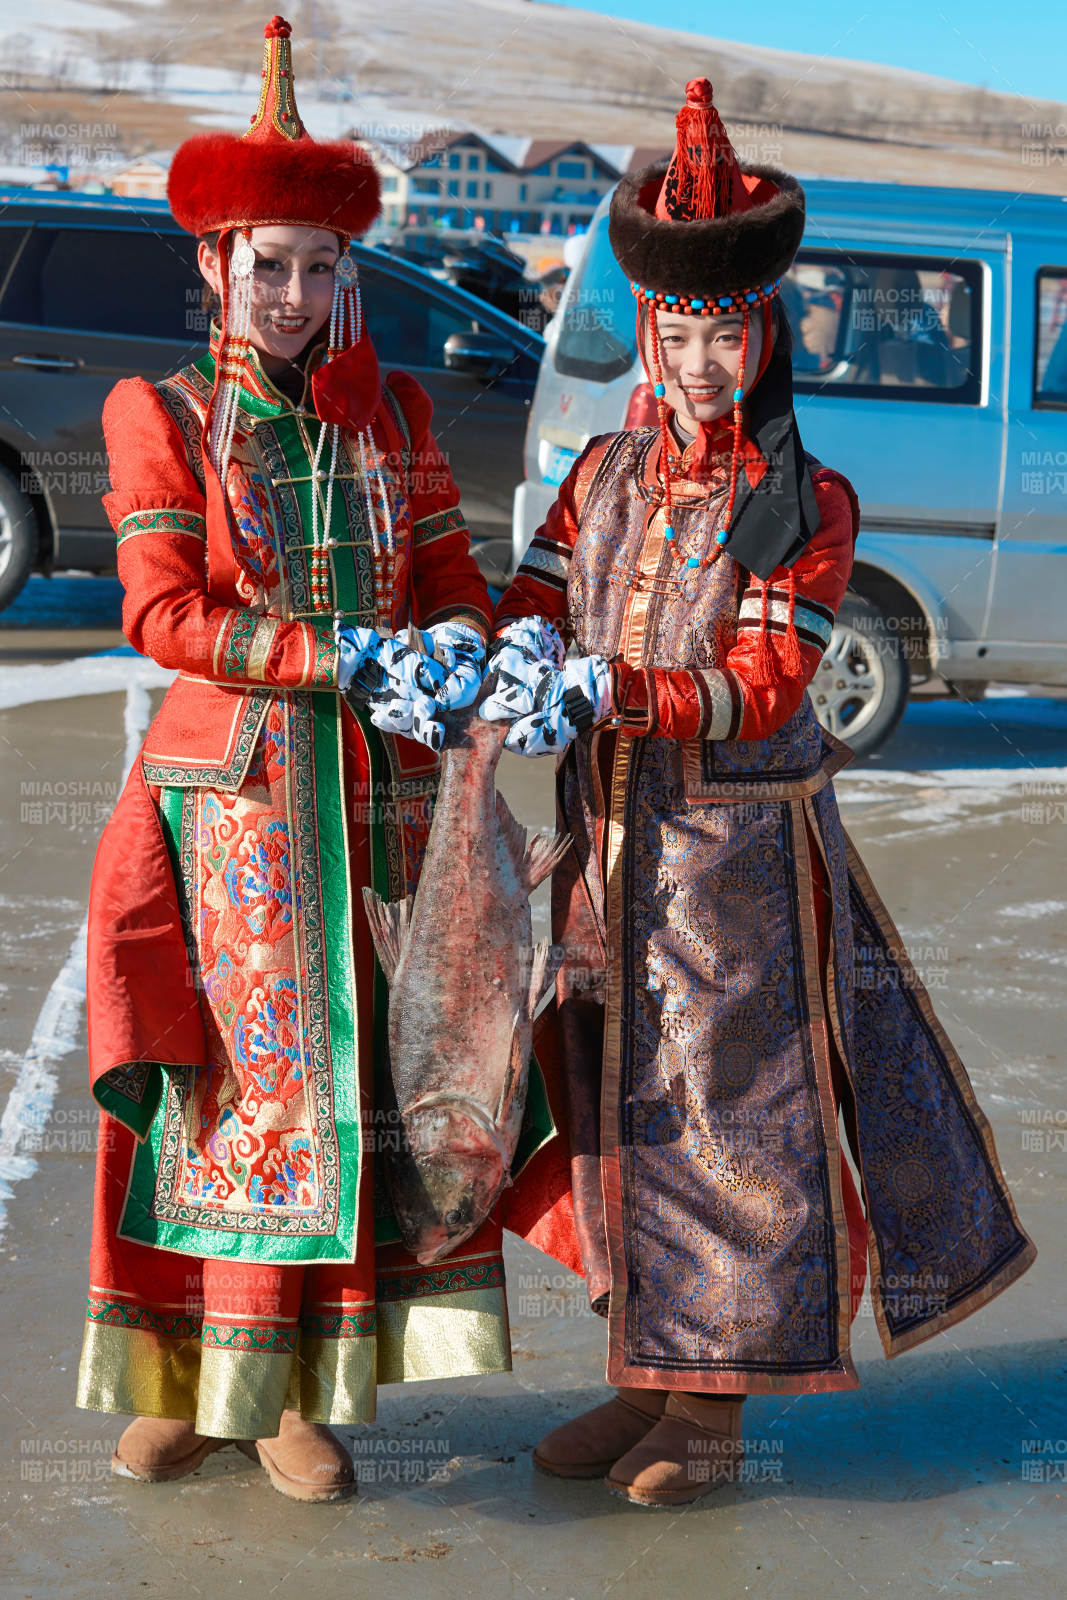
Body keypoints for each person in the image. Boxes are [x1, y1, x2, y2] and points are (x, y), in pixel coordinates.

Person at [482, 77, 1037, 1508]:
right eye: (679, 328)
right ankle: (641, 1381)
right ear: (652, 337)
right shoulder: (599, 472)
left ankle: (718, 1419)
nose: (703, 354)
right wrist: (478, 657)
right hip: (605, 851)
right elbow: (536, 601)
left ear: (765, 329)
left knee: (736, 1125)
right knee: (614, 1107)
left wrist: (606, 691)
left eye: (728, 326)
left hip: (738, 873)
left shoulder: (809, 498)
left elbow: (765, 683)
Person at [75, 16, 506, 1501]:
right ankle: (202, 1379)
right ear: (212, 265)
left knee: (347, 1095)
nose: (300, 295)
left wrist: (458, 647)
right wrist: (339, 657)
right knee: (237, 1097)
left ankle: (294, 1393)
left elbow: (452, 578)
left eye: (324, 268)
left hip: (374, 811)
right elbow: (163, 611)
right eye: (272, 265)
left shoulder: (396, 417)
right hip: (231, 817)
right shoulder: (169, 417)